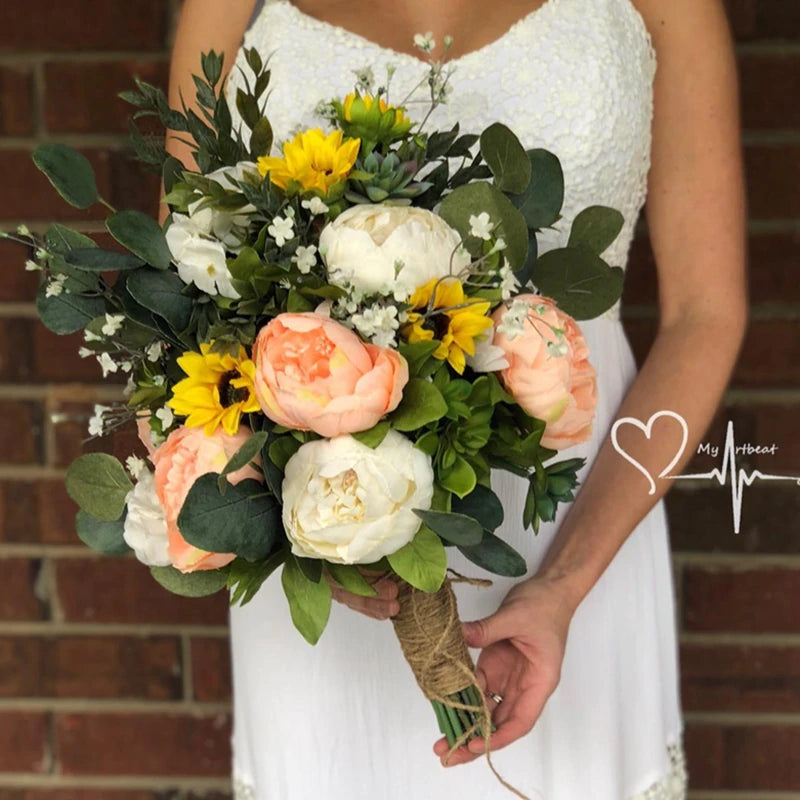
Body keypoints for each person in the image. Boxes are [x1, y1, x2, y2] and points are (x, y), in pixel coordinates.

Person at [163, 0, 747, 797]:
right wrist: (301, 534)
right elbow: (182, 298)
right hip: (320, 528)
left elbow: (704, 315)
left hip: (580, 515)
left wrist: (565, 581)